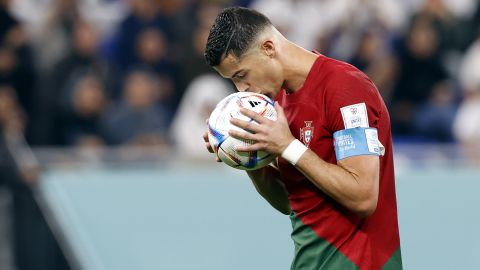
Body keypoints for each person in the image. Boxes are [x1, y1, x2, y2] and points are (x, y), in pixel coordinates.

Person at [202, 7, 402, 269]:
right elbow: (294, 203)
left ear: (269, 48)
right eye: (233, 81)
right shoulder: (278, 104)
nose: (242, 90)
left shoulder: (346, 88)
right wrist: (246, 156)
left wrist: (287, 145)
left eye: (241, 75)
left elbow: (363, 197)